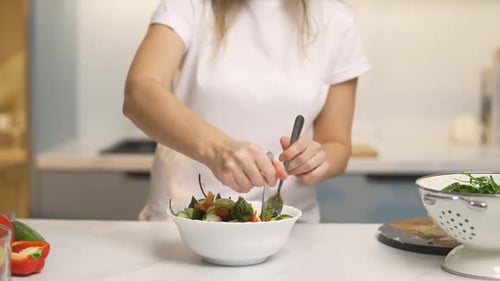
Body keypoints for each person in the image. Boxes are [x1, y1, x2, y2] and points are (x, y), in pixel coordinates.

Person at [123, 0, 370, 223]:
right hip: (183, 223)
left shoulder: (337, 19)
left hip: (288, 228)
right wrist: (215, 148)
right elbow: (140, 91)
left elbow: (336, 143)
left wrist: (318, 161)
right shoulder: (190, 6)